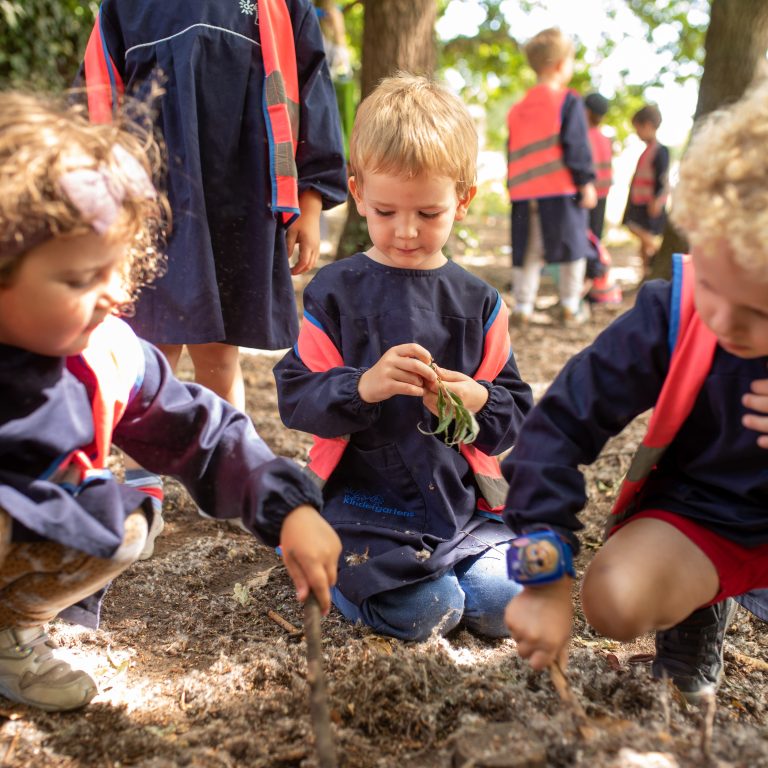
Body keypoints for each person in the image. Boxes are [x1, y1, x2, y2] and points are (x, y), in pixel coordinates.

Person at [0, 91, 341, 713]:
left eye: (116, 269)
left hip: (30, 535)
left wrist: (285, 507)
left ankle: (12, 633)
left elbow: (201, 433)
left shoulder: (106, 356)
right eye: (79, 280)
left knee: (119, 521)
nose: (111, 296)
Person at [500, 79, 768, 704]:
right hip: (707, 519)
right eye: (715, 287)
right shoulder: (673, 313)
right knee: (613, 599)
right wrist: (539, 578)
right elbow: (552, 431)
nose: (726, 322)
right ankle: (696, 613)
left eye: (758, 313)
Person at [274, 73, 534, 642]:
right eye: (386, 211)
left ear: (462, 200)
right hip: (364, 502)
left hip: (459, 509)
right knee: (425, 611)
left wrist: (477, 397)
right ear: (359, 192)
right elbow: (296, 396)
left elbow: (514, 411)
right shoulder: (334, 292)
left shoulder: (480, 302)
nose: (407, 231)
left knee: (505, 603)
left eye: (429, 213)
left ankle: (450, 572)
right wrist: (362, 387)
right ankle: (341, 576)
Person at [81, 0, 348, 547]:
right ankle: (140, 484)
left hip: (239, 194)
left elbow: (311, 90)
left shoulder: (277, 5)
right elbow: (99, 98)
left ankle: (230, 478)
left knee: (219, 350)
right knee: (147, 347)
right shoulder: (123, 8)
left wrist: (311, 205)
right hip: (154, 202)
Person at [506, 27, 597, 328]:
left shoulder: (517, 110)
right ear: (560, 65)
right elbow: (576, 145)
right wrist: (585, 182)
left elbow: (513, 150)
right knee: (573, 248)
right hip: (560, 189)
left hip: (524, 192)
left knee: (528, 252)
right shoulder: (567, 101)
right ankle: (571, 305)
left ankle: (523, 306)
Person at [623, 104, 669, 277]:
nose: (637, 133)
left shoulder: (660, 151)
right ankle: (646, 272)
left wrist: (657, 200)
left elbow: (662, 178)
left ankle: (659, 252)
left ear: (649, 125)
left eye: (639, 128)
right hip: (639, 200)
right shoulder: (646, 151)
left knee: (635, 228)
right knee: (641, 241)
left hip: (650, 203)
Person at [583, 92, 613, 240]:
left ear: (586, 111)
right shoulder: (606, 140)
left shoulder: (582, 138)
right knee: (595, 239)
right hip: (602, 196)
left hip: (585, 196)